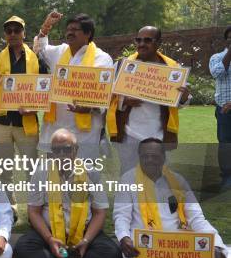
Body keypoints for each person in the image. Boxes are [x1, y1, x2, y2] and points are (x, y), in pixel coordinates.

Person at [113, 138, 228, 258]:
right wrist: (124, 238)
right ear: (139, 157)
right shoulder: (128, 180)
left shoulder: (178, 181)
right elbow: (121, 216)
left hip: (178, 245)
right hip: (147, 245)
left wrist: (216, 246)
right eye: (145, 156)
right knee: (134, 257)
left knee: (219, 249)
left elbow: (196, 218)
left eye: (155, 156)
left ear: (164, 157)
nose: (150, 160)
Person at [14, 129, 120, 258]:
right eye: (57, 150)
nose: (62, 155)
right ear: (51, 152)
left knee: (112, 253)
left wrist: (86, 240)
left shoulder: (91, 172)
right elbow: (33, 212)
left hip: (82, 232)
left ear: (76, 150)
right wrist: (49, 240)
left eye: (67, 149)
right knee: (23, 246)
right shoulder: (41, 172)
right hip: (50, 233)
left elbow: (100, 212)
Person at [0, 3, 41, 213]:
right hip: (1, 122)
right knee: (4, 169)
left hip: (26, 123)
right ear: (5, 34)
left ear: (23, 33)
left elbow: (45, 87)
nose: (12, 34)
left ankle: (35, 208)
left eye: (17, 30)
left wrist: (35, 107)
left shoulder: (37, 58)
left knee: (31, 168)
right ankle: (8, 207)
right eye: (9, 31)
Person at [107, 26, 191, 174]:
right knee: (128, 177)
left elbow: (181, 102)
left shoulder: (172, 68)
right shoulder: (122, 66)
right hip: (129, 134)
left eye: (147, 40)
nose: (141, 44)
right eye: (138, 40)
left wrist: (184, 97)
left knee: (159, 179)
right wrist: (124, 101)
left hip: (159, 135)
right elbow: (106, 96)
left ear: (158, 43)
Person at [35, 12, 114, 159]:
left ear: (88, 33)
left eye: (75, 30)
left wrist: (89, 108)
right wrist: (46, 26)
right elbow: (40, 47)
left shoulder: (102, 58)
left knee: (83, 173)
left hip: (84, 130)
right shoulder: (59, 51)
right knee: (55, 173)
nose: (69, 33)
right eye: (68, 29)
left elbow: (104, 95)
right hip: (56, 126)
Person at [209, 25, 231, 189]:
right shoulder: (216, 57)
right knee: (225, 144)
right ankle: (227, 178)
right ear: (226, 40)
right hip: (224, 110)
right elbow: (217, 73)